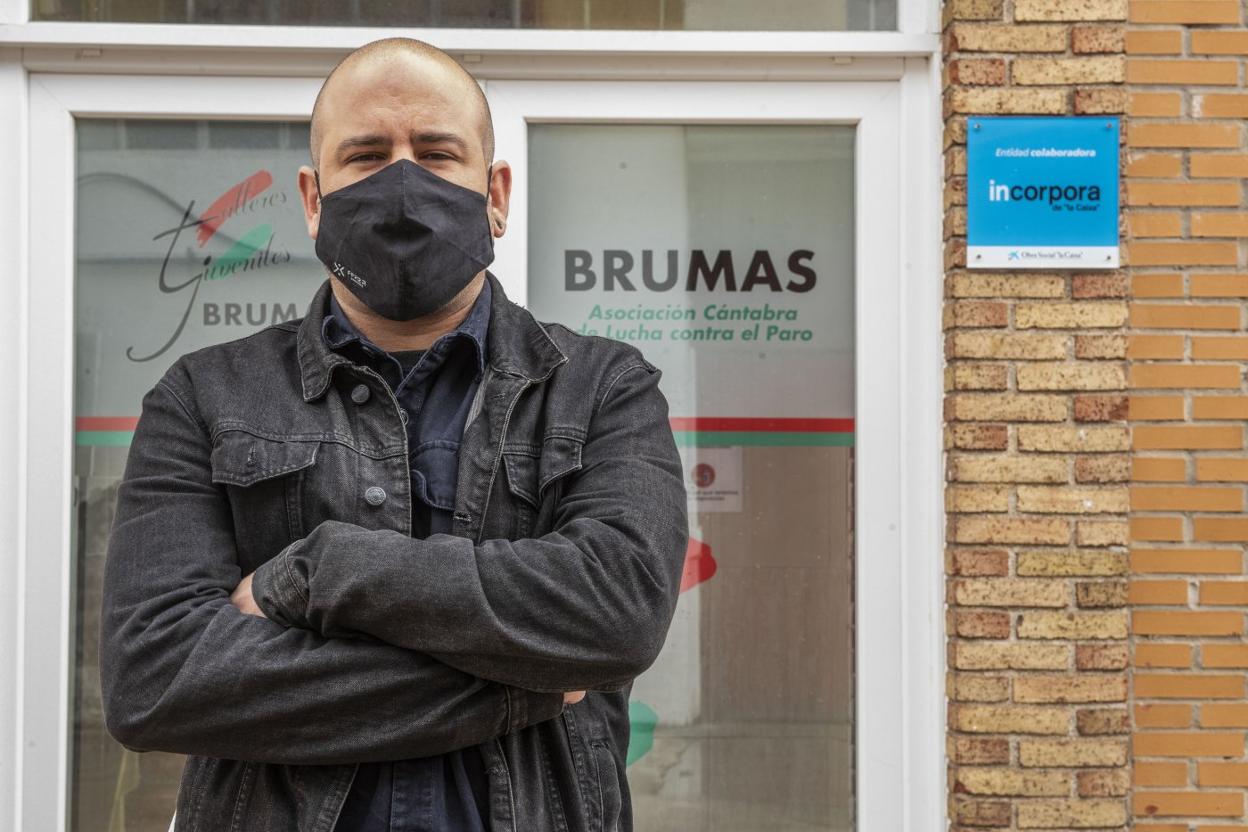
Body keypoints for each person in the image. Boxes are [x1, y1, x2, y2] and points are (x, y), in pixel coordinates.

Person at [99, 36, 689, 832]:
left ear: (497, 194)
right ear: (313, 199)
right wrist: (526, 683)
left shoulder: (602, 388)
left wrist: (316, 572)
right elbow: (156, 677)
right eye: (367, 155)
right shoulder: (204, 398)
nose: (403, 185)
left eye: (438, 153)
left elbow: (616, 610)